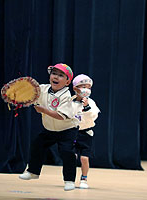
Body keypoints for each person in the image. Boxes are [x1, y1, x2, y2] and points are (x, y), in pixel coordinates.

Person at [19, 63, 79, 191]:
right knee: (37, 145)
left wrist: (43, 110)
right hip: (49, 129)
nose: (56, 77)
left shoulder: (67, 96)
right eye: (54, 73)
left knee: (67, 152)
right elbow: (30, 95)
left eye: (61, 75)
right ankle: (33, 172)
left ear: (67, 82)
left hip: (67, 130)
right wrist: (19, 96)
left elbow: (60, 116)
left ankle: (69, 181)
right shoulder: (42, 89)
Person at [71, 74, 100, 189]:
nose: (85, 90)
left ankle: (84, 178)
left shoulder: (91, 103)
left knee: (84, 158)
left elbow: (93, 117)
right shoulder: (70, 101)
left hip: (85, 133)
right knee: (71, 157)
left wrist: (86, 107)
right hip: (72, 133)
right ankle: (70, 178)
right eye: (82, 86)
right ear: (75, 88)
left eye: (88, 87)